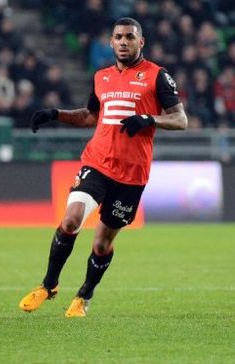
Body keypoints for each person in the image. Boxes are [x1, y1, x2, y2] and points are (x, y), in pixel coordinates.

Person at [19, 17, 188, 318]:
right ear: (110, 42)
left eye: (129, 37)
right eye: (118, 37)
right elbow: (89, 116)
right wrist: (54, 114)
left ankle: (84, 295)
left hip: (132, 175)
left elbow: (180, 119)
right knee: (71, 220)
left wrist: (150, 119)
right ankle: (48, 285)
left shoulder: (157, 76)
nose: (124, 42)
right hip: (97, 163)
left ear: (141, 42)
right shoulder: (102, 77)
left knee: (102, 242)